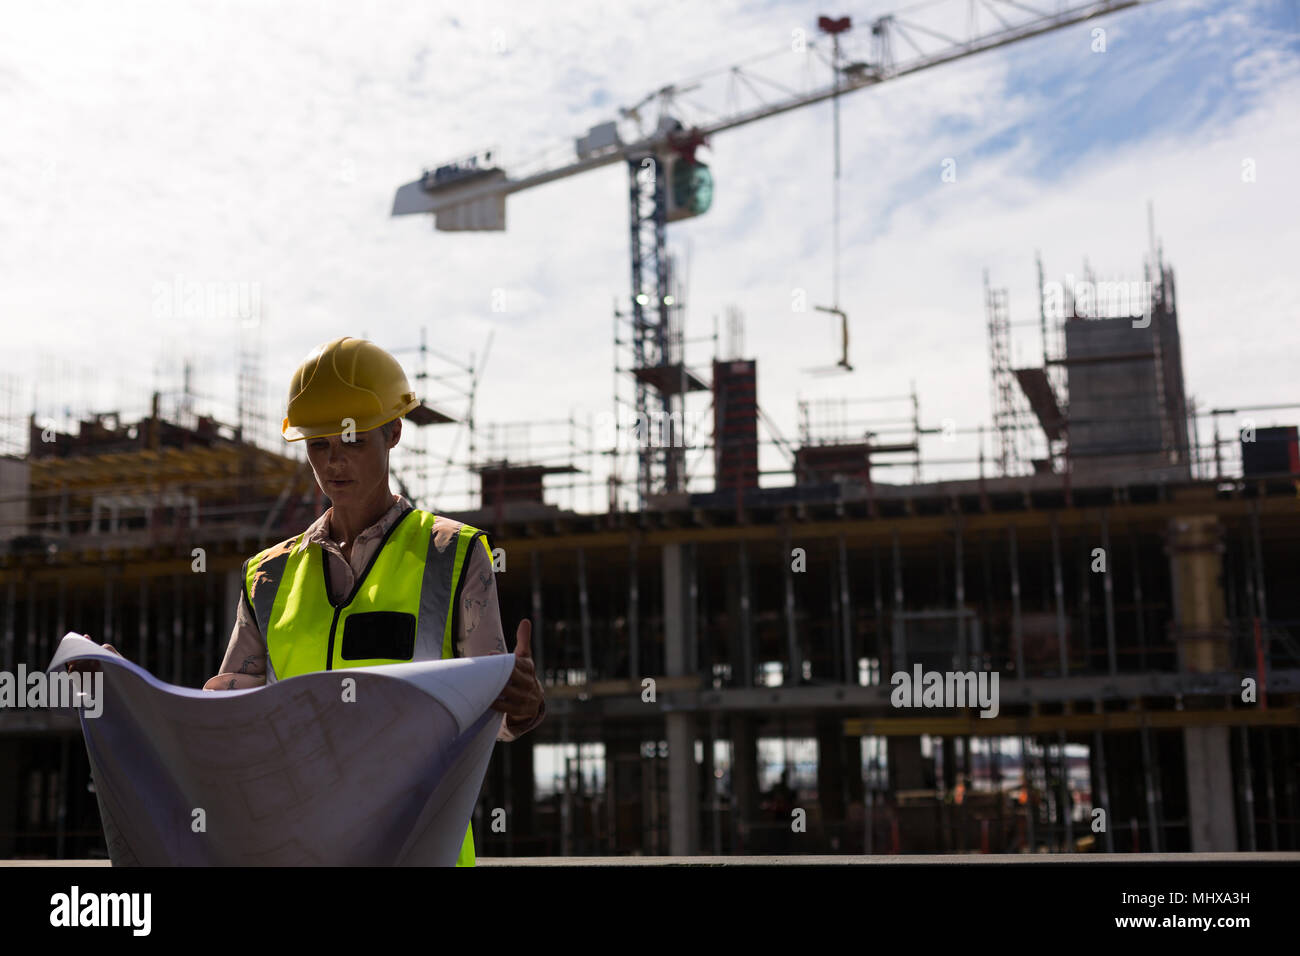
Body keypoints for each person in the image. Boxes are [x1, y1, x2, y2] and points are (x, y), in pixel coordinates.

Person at [207, 335, 545, 867]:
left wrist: (522, 705)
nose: (334, 462)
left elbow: (492, 719)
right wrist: (135, 692)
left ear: (393, 432)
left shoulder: (453, 556)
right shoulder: (267, 578)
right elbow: (230, 718)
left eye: (352, 441)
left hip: (417, 852)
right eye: (319, 445)